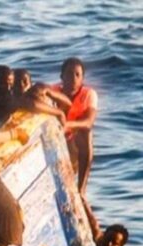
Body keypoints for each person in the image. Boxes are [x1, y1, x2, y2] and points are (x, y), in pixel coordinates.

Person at [52, 57, 98, 197]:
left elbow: (89, 122)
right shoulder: (53, 91)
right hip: (54, 140)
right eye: (69, 74)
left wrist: (67, 125)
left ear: (82, 78)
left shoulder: (89, 94)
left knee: (86, 133)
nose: (73, 78)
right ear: (61, 76)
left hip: (73, 145)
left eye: (77, 75)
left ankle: (81, 190)